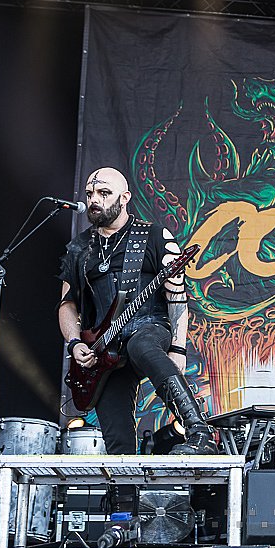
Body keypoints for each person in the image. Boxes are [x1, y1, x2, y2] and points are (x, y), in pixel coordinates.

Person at [58, 167, 217, 465]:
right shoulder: (79, 248)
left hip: (149, 327)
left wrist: (178, 348)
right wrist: (75, 342)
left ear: (125, 198)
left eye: (104, 193)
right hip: (104, 348)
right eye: (90, 194)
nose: (95, 200)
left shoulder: (153, 235)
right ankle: (125, 493)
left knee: (140, 344)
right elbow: (67, 304)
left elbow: (176, 294)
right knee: (117, 439)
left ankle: (200, 432)